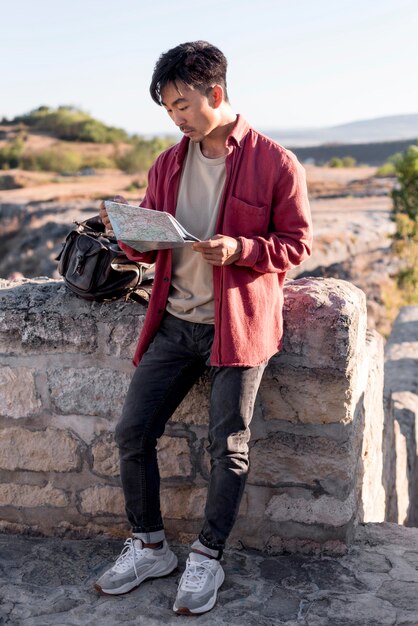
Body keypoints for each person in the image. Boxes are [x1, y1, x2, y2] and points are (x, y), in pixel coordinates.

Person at [95, 40, 312, 615]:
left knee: (228, 448)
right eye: (168, 109)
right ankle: (149, 547)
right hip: (172, 323)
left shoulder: (274, 161)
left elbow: (298, 244)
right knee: (132, 433)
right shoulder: (167, 164)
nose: (177, 118)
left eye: (183, 105)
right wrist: (132, 236)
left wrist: (240, 247)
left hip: (237, 328)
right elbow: (146, 250)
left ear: (216, 93)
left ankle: (208, 556)